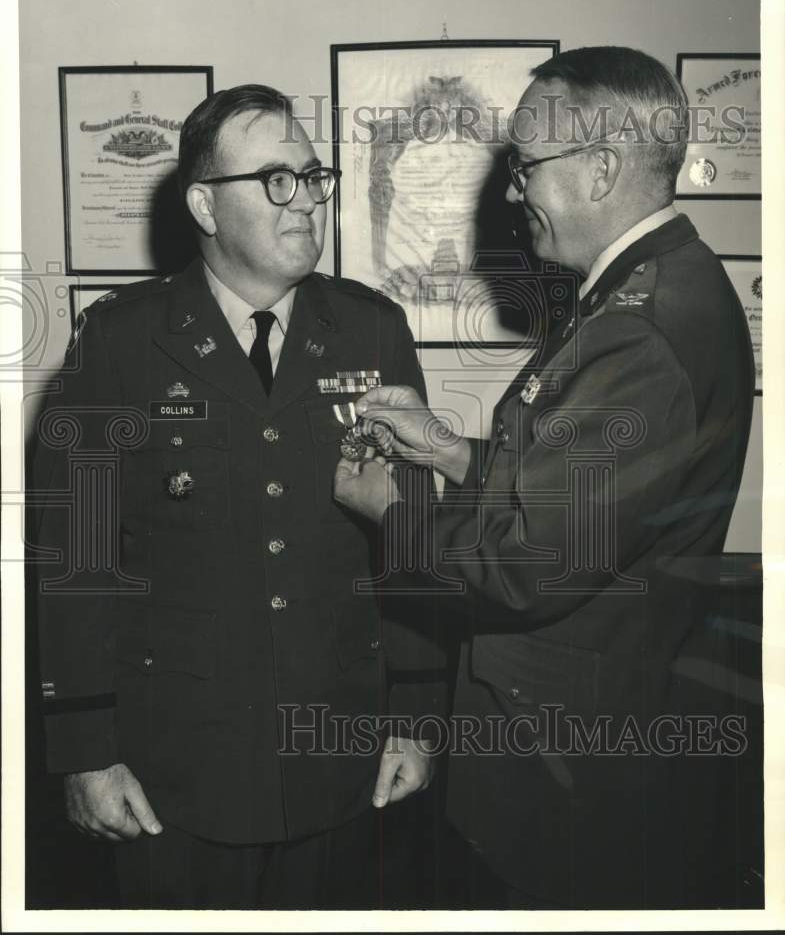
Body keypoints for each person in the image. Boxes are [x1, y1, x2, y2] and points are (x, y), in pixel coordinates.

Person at [334, 46, 756, 908]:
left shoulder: (637, 329)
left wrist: (390, 511)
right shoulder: (650, 288)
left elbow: (532, 565)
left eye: (525, 167)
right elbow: (584, 499)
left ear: (600, 168)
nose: (512, 191)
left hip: (566, 752)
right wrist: (451, 452)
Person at [30, 84, 446, 908]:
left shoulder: (372, 329)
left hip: (341, 755)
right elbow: (77, 559)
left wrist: (417, 713)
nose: (306, 203)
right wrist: (84, 748)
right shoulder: (120, 338)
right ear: (204, 206)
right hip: (174, 767)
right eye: (275, 181)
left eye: (312, 176)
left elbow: (410, 534)